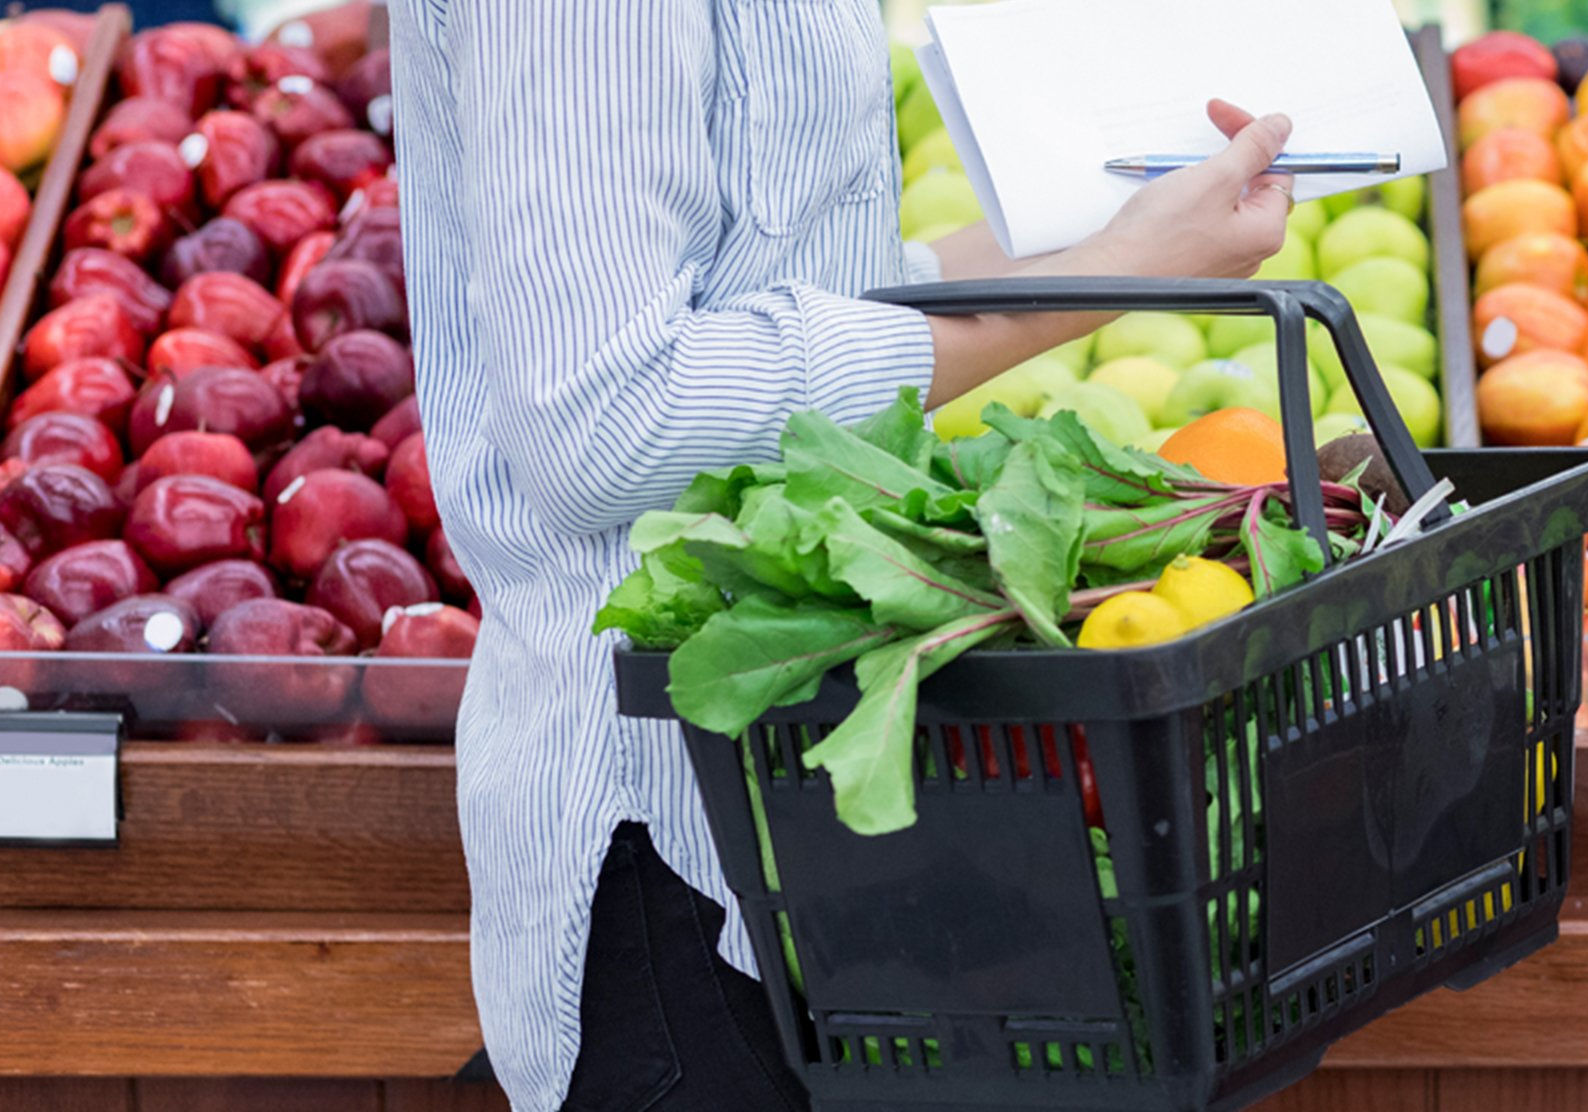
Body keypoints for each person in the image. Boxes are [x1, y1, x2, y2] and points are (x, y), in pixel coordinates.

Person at [385, 4, 1296, 1109]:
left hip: (828, 839)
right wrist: (1103, 276)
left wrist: (1132, 232)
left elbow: (791, 281)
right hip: (682, 856)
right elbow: (605, 419)